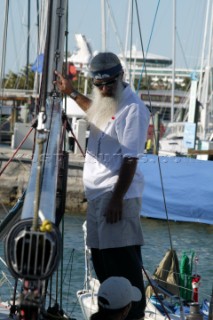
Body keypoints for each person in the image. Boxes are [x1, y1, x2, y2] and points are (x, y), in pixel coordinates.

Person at [54, 52, 150, 319]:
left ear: (121, 77)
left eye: (109, 83)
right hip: (97, 197)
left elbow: (131, 160)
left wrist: (117, 199)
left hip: (116, 198)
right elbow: (93, 110)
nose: (105, 89)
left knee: (124, 270)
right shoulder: (106, 102)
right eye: (99, 85)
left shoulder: (132, 108)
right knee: (102, 266)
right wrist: (72, 93)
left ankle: (134, 315)